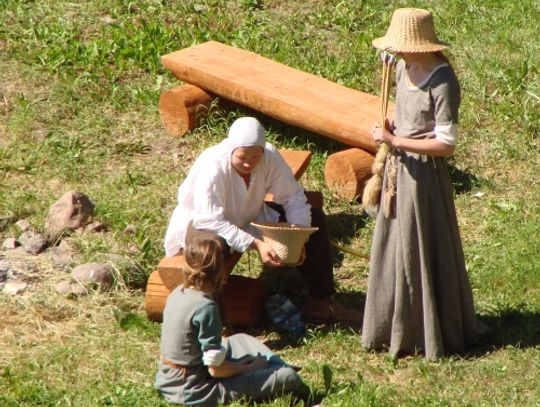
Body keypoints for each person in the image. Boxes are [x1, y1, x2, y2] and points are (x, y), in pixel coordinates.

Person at [361, 8, 489, 360]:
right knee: (394, 245)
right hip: (397, 171)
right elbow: (407, 114)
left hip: (423, 178)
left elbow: (446, 146)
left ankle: (430, 331)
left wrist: (396, 140)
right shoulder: (404, 67)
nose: (396, 52)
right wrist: (393, 124)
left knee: (421, 246)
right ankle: (391, 326)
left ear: (419, 46)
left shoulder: (442, 81)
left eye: (402, 46)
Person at [164, 116, 361, 323]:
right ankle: (210, 320)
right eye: (242, 157)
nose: (248, 163)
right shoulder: (213, 165)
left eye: (254, 157)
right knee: (210, 250)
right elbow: (209, 219)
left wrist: (298, 237)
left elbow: (292, 196)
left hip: (250, 217)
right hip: (205, 226)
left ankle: (321, 302)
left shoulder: (269, 157)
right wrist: (256, 243)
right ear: (231, 150)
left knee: (316, 219)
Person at [155, 236, 309, 405]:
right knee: (289, 377)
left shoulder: (178, 291)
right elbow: (215, 369)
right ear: (221, 270)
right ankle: (279, 370)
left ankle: (273, 367)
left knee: (241, 340)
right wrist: (248, 368)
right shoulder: (205, 306)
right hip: (195, 390)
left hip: (168, 379)